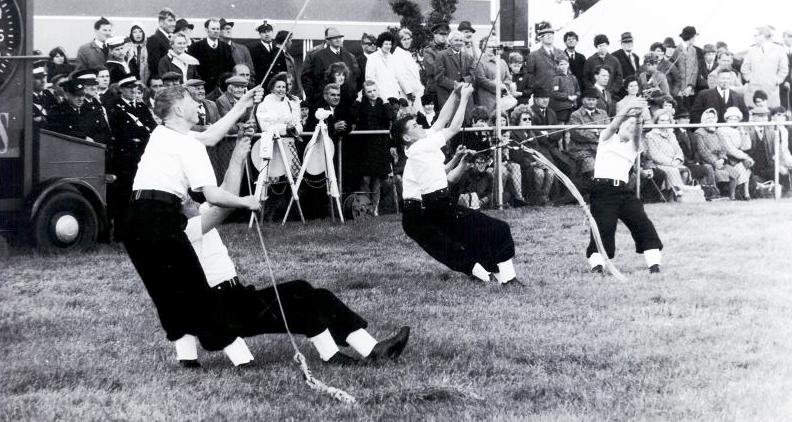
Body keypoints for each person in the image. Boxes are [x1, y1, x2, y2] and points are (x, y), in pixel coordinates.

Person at [175, 137, 409, 367]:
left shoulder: (200, 212)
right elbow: (221, 211)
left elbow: (227, 190)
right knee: (300, 294)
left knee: (314, 294)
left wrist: (237, 157)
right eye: (186, 200)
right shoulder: (185, 230)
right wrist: (245, 201)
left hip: (237, 297)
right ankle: (335, 356)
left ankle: (371, 348)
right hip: (223, 309)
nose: (193, 201)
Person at [121, 85, 265, 359]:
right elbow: (213, 195)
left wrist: (241, 105)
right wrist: (247, 202)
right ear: (177, 109)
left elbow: (210, 137)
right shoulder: (185, 144)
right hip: (160, 218)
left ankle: (187, 359)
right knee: (197, 290)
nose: (199, 104)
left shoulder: (162, 134)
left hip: (133, 219)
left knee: (165, 292)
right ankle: (242, 360)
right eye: (191, 100)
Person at [393, 83, 519, 285]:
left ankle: (493, 277)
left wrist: (455, 93)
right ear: (407, 137)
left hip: (432, 206)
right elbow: (453, 127)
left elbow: (442, 120)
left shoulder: (422, 146)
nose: (420, 126)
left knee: (467, 243)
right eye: (415, 126)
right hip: (430, 209)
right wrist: (466, 97)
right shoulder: (419, 147)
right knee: (496, 230)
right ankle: (505, 280)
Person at [586, 97, 663, 274]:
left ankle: (654, 264)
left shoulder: (634, 147)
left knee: (642, 223)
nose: (630, 126)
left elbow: (636, 135)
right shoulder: (606, 139)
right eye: (627, 124)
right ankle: (597, 265)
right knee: (604, 228)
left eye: (634, 126)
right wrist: (628, 108)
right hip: (602, 190)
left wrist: (637, 118)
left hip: (623, 191)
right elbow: (613, 125)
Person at [107, 74, 159, 232]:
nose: (133, 90)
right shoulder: (115, 107)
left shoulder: (141, 106)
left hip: (141, 154)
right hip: (125, 156)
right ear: (121, 89)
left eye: (135, 87)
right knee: (124, 193)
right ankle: (121, 230)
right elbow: (117, 132)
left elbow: (151, 125)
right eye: (129, 88)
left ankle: (139, 227)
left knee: (141, 191)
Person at [349, 80, 394, 215]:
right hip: (365, 145)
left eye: (374, 90)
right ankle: (365, 206)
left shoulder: (382, 103)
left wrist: (386, 101)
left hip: (380, 145)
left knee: (377, 178)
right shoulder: (361, 104)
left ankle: (374, 208)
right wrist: (357, 100)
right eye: (369, 91)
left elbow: (390, 117)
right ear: (365, 92)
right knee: (365, 178)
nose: (372, 93)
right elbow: (352, 115)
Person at [254, 72, 303, 192]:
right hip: (273, 145)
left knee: (293, 178)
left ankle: (291, 205)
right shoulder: (264, 105)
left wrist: (295, 129)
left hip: (290, 143)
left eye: (283, 87)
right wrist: (285, 128)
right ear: (272, 88)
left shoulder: (291, 104)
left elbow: (298, 123)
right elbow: (265, 126)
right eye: (278, 87)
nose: (282, 89)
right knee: (273, 179)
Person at [693, 108, 751, 199]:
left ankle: (732, 196)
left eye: (712, 118)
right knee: (712, 171)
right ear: (703, 120)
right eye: (708, 118)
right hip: (707, 162)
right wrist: (714, 162)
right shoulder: (699, 133)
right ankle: (714, 194)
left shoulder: (717, 132)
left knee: (735, 173)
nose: (711, 120)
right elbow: (703, 152)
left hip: (720, 161)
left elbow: (724, 148)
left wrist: (722, 159)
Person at [302, 27, 360, 104]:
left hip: (346, 101)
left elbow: (354, 77)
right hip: (325, 101)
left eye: (339, 37)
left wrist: (353, 94)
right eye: (334, 38)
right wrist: (314, 97)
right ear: (328, 40)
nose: (338, 40)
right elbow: (311, 78)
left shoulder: (348, 56)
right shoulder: (319, 56)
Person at [568, 88, 611, 184]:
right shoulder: (575, 115)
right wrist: (598, 133)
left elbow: (609, 130)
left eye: (593, 100)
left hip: (601, 150)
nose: (591, 102)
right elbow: (577, 134)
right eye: (589, 99)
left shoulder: (603, 113)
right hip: (582, 150)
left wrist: (593, 131)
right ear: (583, 100)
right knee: (592, 168)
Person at [741, 26, 789, 109]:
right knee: (754, 113)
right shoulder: (751, 50)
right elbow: (744, 68)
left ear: (762, 36)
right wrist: (750, 79)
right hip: (753, 89)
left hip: (771, 89)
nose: (754, 38)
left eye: (755, 35)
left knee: (771, 112)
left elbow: (784, 69)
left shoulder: (779, 50)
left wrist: (777, 80)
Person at [644, 110, 690, 195]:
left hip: (674, 163)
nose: (665, 123)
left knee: (685, 170)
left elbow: (678, 150)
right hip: (658, 164)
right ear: (656, 122)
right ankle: (676, 195)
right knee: (673, 171)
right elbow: (654, 155)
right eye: (662, 120)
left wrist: (677, 160)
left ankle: (683, 194)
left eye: (667, 120)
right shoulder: (650, 136)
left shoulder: (672, 134)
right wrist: (671, 163)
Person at [188, 18, 236, 93]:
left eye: (218, 29)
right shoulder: (195, 47)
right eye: (213, 29)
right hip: (202, 88)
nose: (216, 31)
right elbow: (192, 70)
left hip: (221, 89)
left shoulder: (226, 47)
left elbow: (230, 68)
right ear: (206, 30)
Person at [435, 31, 474, 110]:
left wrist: (464, 81)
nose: (459, 43)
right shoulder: (441, 55)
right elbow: (439, 78)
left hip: (464, 97)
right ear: (450, 41)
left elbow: (473, 75)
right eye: (456, 40)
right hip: (448, 96)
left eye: (461, 41)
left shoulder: (468, 57)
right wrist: (455, 85)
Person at [744, 106, 777, 196]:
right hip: (752, 163)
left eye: (765, 116)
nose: (763, 119)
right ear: (753, 117)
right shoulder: (746, 129)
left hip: (767, 163)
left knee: (777, 169)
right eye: (760, 116)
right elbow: (744, 149)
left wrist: (775, 157)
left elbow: (774, 149)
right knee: (754, 179)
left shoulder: (771, 130)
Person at [524, 21, 563, 94]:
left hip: (560, 95)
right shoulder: (533, 56)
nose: (549, 36)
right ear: (540, 38)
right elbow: (529, 77)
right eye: (545, 34)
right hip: (542, 95)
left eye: (551, 33)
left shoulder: (561, 53)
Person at [473, 42, 511, 115]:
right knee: (489, 118)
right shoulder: (479, 62)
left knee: (502, 119)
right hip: (486, 98)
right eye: (489, 47)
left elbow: (508, 77)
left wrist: (505, 87)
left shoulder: (502, 62)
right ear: (483, 48)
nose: (492, 49)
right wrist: (498, 87)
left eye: (494, 46)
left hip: (502, 98)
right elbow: (481, 79)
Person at [365, 31, 403, 101]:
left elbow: (397, 76)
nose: (388, 46)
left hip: (394, 94)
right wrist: (378, 94)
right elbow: (369, 78)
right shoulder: (372, 58)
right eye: (386, 44)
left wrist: (398, 90)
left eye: (390, 44)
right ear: (381, 44)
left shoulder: (392, 58)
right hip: (379, 95)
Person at [393, 28, 424, 108]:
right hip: (408, 93)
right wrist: (409, 92)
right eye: (404, 39)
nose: (407, 41)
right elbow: (399, 75)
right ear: (399, 41)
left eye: (408, 39)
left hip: (416, 91)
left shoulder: (407, 53)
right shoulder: (397, 54)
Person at [676, 26, 706, 112]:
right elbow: (677, 72)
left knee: (691, 110)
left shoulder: (694, 50)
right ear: (692, 37)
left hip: (691, 90)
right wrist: (681, 89)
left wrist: (690, 86)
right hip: (679, 91)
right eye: (694, 37)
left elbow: (695, 69)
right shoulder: (677, 50)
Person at [421, 22, 450, 107]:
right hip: (435, 90)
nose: (444, 37)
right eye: (441, 34)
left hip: (448, 89)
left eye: (446, 34)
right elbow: (434, 70)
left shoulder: (449, 49)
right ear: (435, 35)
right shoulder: (428, 51)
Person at [269, 30, 304, 99]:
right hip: (282, 93)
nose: (291, 42)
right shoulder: (274, 55)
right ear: (286, 41)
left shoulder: (287, 55)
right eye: (290, 40)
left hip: (290, 92)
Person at [146, 8, 177, 81]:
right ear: (161, 22)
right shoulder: (154, 39)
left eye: (174, 21)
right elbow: (154, 66)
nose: (173, 24)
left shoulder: (170, 39)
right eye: (170, 21)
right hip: (162, 82)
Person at [549, 55, 579, 123]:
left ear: (568, 65)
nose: (564, 66)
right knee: (561, 125)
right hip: (561, 108)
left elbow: (578, 91)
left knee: (570, 125)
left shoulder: (573, 78)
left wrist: (576, 96)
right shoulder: (556, 78)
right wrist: (567, 97)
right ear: (558, 66)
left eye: (565, 64)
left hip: (572, 106)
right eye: (561, 64)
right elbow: (554, 93)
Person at [249, 21, 276, 86]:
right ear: (259, 34)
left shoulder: (278, 48)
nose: (267, 34)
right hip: (261, 84)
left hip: (276, 85)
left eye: (269, 31)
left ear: (272, 32)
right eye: (264, 32)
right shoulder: (254, 50)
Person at [781, 30, 792, 109]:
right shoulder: (780, 50)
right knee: (785, 103)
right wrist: (785, 81)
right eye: (790, 37)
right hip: (784, 82)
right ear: (784, 38)